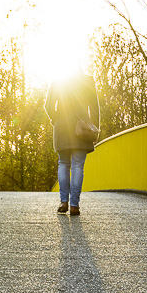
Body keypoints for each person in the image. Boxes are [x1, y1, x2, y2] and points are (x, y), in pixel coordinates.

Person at [44, 69, 100, 216]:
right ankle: (74, 205)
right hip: (82, 127)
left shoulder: (57, 79)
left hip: (62, 126)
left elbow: (48, 106)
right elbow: (94, 108)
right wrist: (94, 128)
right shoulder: (87, 80)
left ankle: (63, 202)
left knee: (63, 163)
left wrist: (55, 119)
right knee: (78, 166)